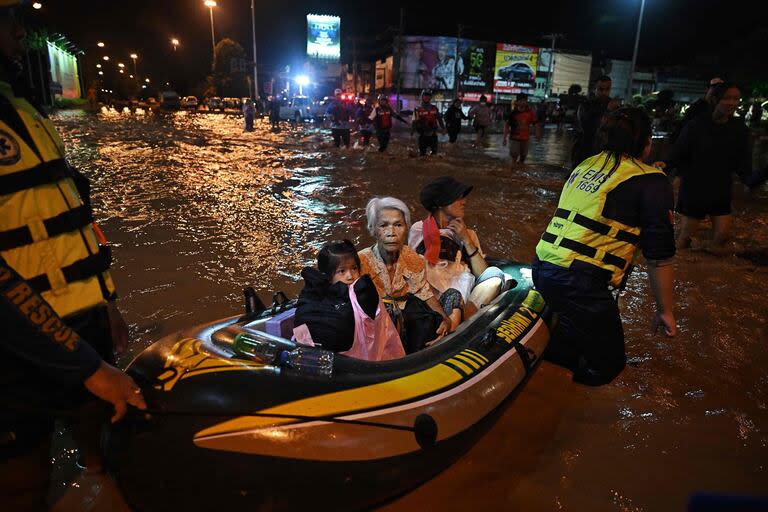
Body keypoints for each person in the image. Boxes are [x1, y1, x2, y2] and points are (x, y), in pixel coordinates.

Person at [0, 2, 146, 508]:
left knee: (104, 462)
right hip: (18, 346)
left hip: (81, 327)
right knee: (22, 485)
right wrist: (86, 365)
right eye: (7, 20)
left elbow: (65, 220)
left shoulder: (22, 110)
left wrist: (105, 301)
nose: (20, 31)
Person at [533, 107, 677, 386]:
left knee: (576, 339)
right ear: (647, 144)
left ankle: (550, 364)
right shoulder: (653, 183)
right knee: (609, 367)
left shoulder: (587, 164)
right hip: (580, 282)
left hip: (544, 267)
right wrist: (665, 310)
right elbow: (660, 257)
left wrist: (652, 177)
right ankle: (560, 394)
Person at [658, 82, 753, 251]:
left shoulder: (739, 129)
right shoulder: (697, 125)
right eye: (727, 98)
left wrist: (749, 181)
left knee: (721, 238)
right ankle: (677, 267)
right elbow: (679, 152)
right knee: (685, 239)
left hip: (721, 188)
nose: (731, 103)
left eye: (736, 99)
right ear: (715, 100)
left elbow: (743, 161)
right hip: (695, 187)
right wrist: (665, 165)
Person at [409, 177, 505, 330]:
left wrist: (466, 239)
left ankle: (463, 321)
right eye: (457, 198)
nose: (464, 202)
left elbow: (482, 274)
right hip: (433, 298)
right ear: (441, 203)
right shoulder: (419, 229)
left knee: (495, 275)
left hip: (465, 297)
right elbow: (412, 269)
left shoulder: (469, 234)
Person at [358, 197, 452, 353]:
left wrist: (444, 319)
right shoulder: (360, 263)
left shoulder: (412, 258)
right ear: (373, 229)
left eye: (398, 225)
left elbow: (424, 293)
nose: (391, 233)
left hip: (407, 326)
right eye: (383, 225)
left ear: (406, 228)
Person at [293, 240, 404, 360]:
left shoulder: (363, 292)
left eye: (354, 268)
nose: (350, 276)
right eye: (342, 271)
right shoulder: (320, 296)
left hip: (374, 359)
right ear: (328, 276)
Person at [571, 75, 617, 167]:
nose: (604, 92)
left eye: (607, 89)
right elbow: (588, 127)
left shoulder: (614, 106)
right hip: (583, 153)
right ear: (594, 89)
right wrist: (607, 111)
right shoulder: (585, 105)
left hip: (604, 155)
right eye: (601, 89)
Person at [669, 77, 724, 143]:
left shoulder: (719, 108)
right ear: (707, 89)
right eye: (714, 88)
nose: (716, 92)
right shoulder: (697, 107)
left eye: (719, 90)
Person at [503, 93, 541, 165]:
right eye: (521, 101)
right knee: (514, 155)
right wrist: (504, 138)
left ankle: (519, 171)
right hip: (514, 137)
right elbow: (507, 126)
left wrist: (537, 133)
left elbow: (535, 124)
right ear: (517, 102)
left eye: (524, 101)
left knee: (523, 157)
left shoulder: (530, 113)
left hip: (525, 138)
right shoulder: (512, 113)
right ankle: (512, 171)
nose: (523, 102)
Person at [411, 89, 445, 156]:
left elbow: (439, 119)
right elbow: (414, 122)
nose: (427, 97)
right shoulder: (417, 109)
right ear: (422, 97)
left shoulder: (434, 108)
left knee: (434, 154)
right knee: (422, 155)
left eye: (429, 96)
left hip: (433, 135)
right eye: (425, 95)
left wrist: (443, 128)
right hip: (422, 135)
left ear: (431, 97)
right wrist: (412, 132)